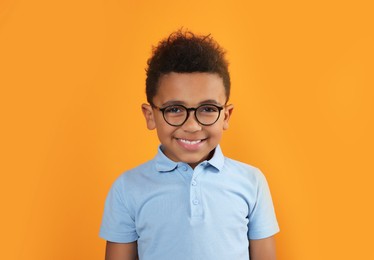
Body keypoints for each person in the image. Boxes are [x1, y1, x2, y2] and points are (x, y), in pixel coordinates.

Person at [99, 29, 279, 260]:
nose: (192, 126)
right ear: (150, 115)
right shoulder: (127, 188)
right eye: (174, 109)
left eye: (207, 109)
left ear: (226, 116)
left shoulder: (252, 182)